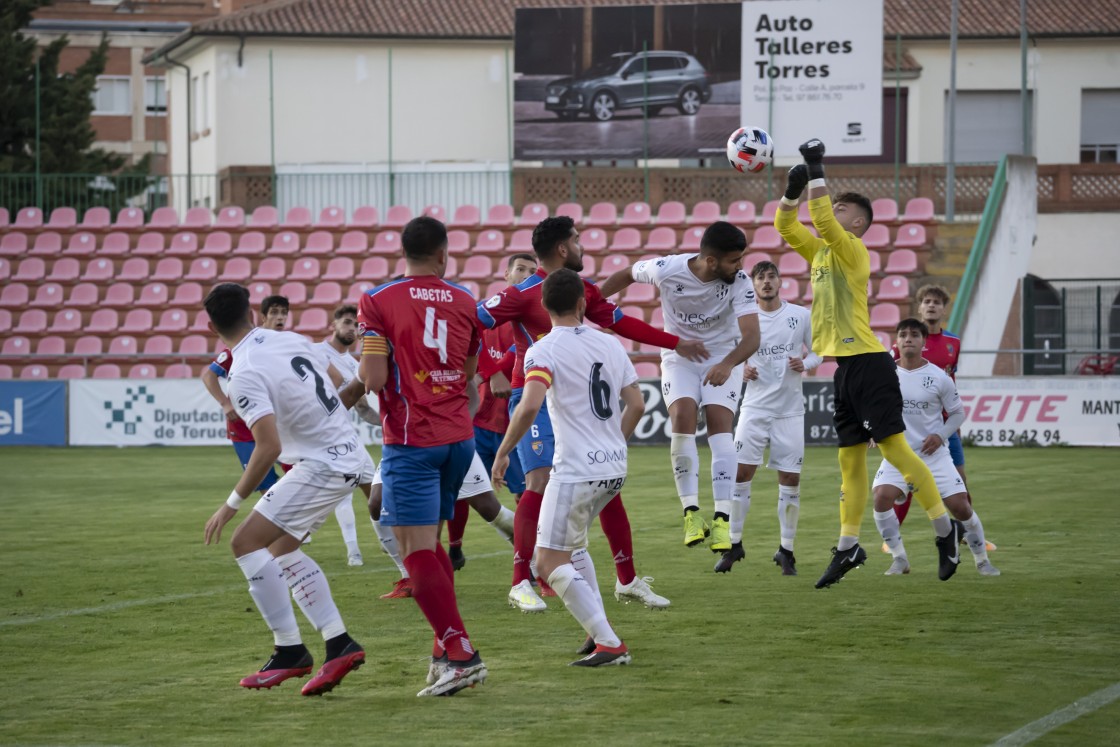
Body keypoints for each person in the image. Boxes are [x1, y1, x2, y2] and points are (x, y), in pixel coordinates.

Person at [477, 216, 704, 612]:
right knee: (540, 479)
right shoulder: (521, 293)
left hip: (573, 395)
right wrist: (488, 370)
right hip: (531, 392)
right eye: (578, 241)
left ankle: (628, 580)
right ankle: (521, 581)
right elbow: (471, 322)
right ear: (563, 249)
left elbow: (620, 322)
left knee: (603, 478)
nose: (584, 247)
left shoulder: (580, 290)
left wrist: (676, 343)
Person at [775, 138, 960, 588]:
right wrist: (791, 189)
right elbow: (786, 227)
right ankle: (847, 547)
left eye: (840, 209)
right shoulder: (821, 254)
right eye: (832, 205)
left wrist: (816, 168)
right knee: (849, 464)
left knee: (897, 451)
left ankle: (943, 533)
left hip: (872, 362)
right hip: (845, 369)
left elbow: (818, 218)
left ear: (856, 223)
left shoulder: (854, 250)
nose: (831, 211)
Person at [201, 283, 372, 696]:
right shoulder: (291, 339)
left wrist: (230, 505)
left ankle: (289, 650)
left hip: (323, 464)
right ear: (254, 315)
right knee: (281, 551)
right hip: (347, 455)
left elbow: (269, 447)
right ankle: (338, 644)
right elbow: (337, 393)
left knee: (244, 543)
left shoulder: (241, 374)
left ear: (211, 326)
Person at [358, 216, 487, 697]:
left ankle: (461, 653)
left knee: (414, 554)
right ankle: (442, 647)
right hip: (458, 438)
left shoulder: (378, 300)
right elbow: (469, 373)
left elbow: (372, 378)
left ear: (404, 252)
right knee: (431, 546)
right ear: (443, 254)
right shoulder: (464, 300)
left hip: (412, 441)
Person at [492, 269, 646, 666]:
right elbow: (638, 404)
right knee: (571, 547)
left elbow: (528, 406)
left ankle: (609, 643)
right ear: (582, 303)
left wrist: (504, 451)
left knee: (546, 561)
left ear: (543, 305)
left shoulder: (540, 350)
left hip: (576, 469)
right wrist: (615, 442)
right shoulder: (610, 344)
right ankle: (597, 631)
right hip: (613, 467)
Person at [600, 221, 760, 554]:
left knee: (720, 426)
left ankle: (721, 520)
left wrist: (727, 364)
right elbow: (627, 273)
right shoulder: (667, 269)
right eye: (734, 260)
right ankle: (690, 514)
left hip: (722, 357)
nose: (741, 266)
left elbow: (752, 337)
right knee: (682, 417)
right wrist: (591, 304)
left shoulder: (741, 283)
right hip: (680, 357)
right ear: (712, 261)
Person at [873, 319, 1000, 577]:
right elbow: (875, 407)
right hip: (899, 455)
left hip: (933, 456)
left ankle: (982, 560)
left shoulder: (939, 377)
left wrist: (941, 435)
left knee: (961, 506)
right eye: (903, 335)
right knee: (880, 498)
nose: (908, 339)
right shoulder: (885, 374)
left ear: (923, 342)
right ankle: (899, 559)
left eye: (914, 335)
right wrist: (875, 431)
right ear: (896, 342)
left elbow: (957, 413)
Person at [718, 260, 820, 575]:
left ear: (780, 281)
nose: (766, 282)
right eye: (760, 277)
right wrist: (740, 369)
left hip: (789, 410)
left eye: (771, 276)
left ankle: (786, 550)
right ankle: (734, 545)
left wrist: (807, 363)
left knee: (790, 479)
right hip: (754, 408)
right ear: (753, 285)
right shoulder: (743, 320)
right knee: (741, 474)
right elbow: (726, 357)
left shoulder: (800, 315)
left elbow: (820, 350)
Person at [888, 285, 995, 550]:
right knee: (906, 481)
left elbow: (949, 379)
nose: (932, 306)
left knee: (959, 482)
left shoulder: (953, 343)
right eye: (926, 301)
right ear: (919, 307)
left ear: (944, 309)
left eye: (937, 302)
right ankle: (892, 540)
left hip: (945, 425)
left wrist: (950, 424)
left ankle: (971, 536)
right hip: (912, 425)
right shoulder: (903, 344)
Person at [449, 253, 539, 568]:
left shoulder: (532, 316)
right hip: (477, 421)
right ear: (506, 273)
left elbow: (515, 353)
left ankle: (529, 562)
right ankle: (454, 547)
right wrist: (491, 372)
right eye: (521, 269)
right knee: (461, 488)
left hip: (516, 422)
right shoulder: (486, 314)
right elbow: (467, 343)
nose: (527, 274)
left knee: (527, 493)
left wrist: (489, 371)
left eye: (532, 270)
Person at [200, 295, 293, 506]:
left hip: (274, 424)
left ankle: (291, 528)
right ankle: (286, 530)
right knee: (264, 484)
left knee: (297, 475)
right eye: (274, 313)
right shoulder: (243, 346)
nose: (280, 318)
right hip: (243, 430)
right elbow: (209, 376)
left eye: (283, 313)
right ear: (260, 317)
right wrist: (225, 403)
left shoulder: (285, 344)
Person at [317, 304, 381, 566]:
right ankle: (353, 551)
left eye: (356, 325)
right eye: (346, 323)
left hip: (347, 437)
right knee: (343, 492)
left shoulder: (354, 365)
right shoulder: (315, 353)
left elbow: (363, 408)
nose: (352, 329)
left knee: (375, 491)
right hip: (324, 436)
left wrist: (389, 425)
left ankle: (389, 543)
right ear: (333, 325)